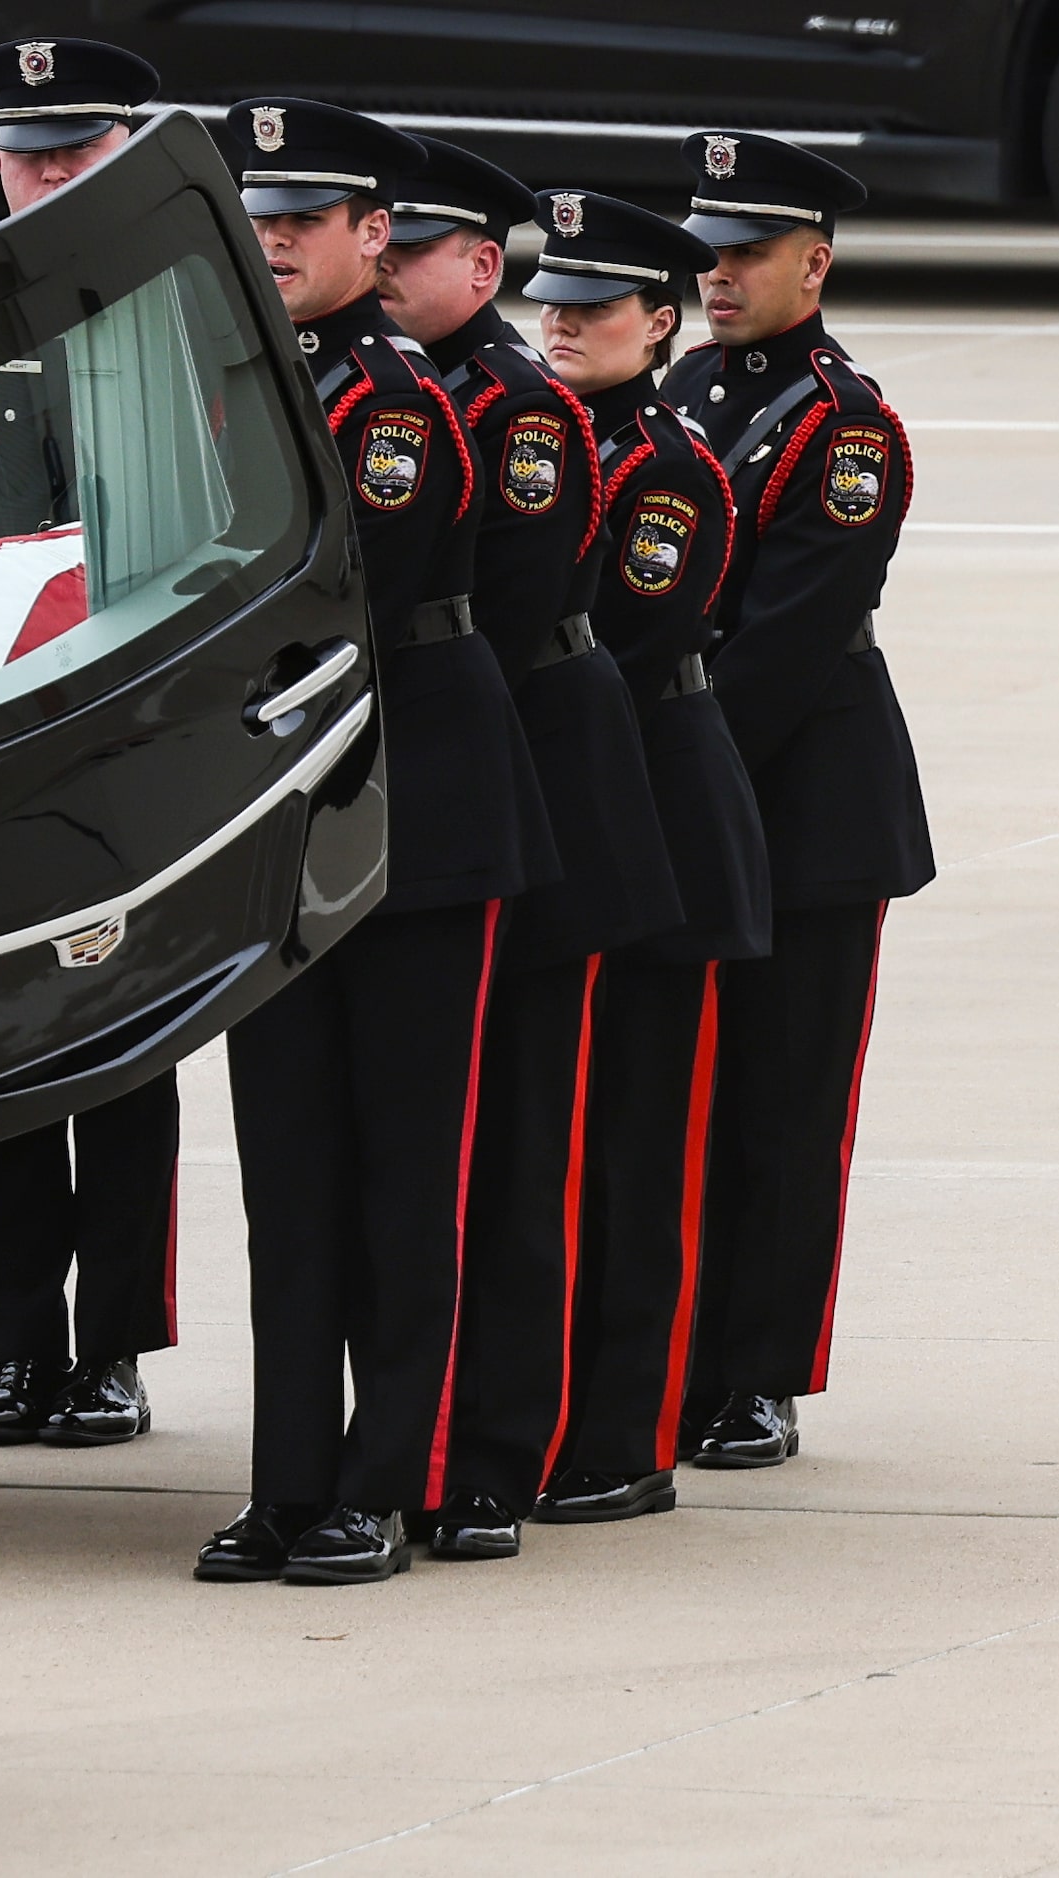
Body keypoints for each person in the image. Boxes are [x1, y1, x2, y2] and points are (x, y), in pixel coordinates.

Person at [198, 99, 555, 1586]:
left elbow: (322, 580)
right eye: (260, 217)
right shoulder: (237, 374)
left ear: (372, 239)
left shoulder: (394, 401)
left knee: (414, 1169)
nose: (275, 240)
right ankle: (289, 1478)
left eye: (308, 221)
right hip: (284, 812)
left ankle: (390, 1475)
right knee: (290, 1172)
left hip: (416, 802)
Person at [377, 138, 683, 1562]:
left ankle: (509, 1444)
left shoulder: (522, 412)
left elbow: (499, 619)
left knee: (526, 1150)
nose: (379, 265)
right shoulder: (406, 389)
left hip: (541, 805)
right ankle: (433, 1428)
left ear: (479, 267)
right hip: (455, 806)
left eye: (407, 246)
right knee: (436, 1148)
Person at [656, 132, 933, 1468]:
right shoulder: (689, 382)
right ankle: (676, 1354)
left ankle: (759, 1373)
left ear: (812, 264)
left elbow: (784, 638)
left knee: (782, 1101)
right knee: (685, 1097)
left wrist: (669, 770)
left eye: (746, 253)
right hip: (702, 784)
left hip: (806, 803)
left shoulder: (845, 423)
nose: (716, 273)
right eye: (705, 249)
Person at [0, 35, 184, 1455]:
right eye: (24, 152)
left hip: (129, 741)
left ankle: (115, 1349)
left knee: (123, 1056)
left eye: (72, 150)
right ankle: (18, 1344)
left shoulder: (178, 290)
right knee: (2, 1049)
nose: (44, 176)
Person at [521, 188, 772, 1523]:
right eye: (548, 300)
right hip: (581, 813)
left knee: (640, 1142)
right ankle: (562, 1408)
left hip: (660, 822)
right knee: (563, 1143)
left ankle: (632, 1428)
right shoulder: (544, 435)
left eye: (593, 307)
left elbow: (617, 631)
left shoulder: (667, 464)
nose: (559, 323)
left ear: (659, 322)